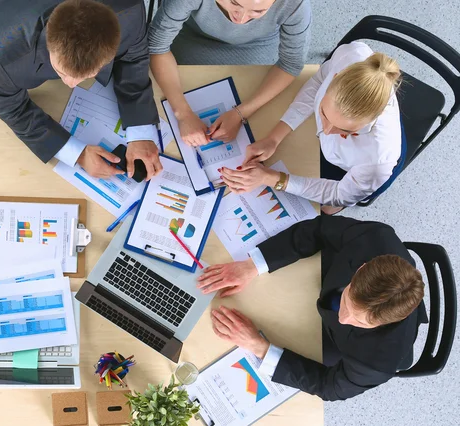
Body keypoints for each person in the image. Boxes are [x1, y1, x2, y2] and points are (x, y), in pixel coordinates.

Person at [197, 215, 428, 401]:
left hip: (339, 345)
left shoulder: (374, 364)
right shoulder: (374, 238)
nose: (343, 317)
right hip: (319, 281)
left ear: (384, 325)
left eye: (359, 322)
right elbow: (318, 230)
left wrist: (259, 347)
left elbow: (327, 387)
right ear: (360, 269)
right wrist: (252, 265)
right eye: (347, 301)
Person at [0, 0, 162, 180]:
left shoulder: (129, 12)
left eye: (86, 75)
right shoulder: (3, 52)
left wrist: (141, 130)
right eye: (62, 72)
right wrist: (76, 153)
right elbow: (9, 106)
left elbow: (133, 57)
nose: (71, 84)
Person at [220, 42, 405, 214]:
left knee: (325, 209)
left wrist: (271, 178)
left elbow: (339, 194)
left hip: (362, 173)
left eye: (346, 131)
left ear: (373, 120)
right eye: (324, 113)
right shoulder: (350, 56)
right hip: (339, 154)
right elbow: (317, 82)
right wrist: (274, 138)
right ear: (335, 77)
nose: (326, 130)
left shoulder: (377, 162)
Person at [148, 0, 311, 147]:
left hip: (259, 45)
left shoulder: (295, 4)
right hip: (192, 37)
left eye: (258, 12)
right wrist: (182, 113)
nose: (240, 20)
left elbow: (290, 64)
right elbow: (157, 46)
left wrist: (241, 113)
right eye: (234, 3)